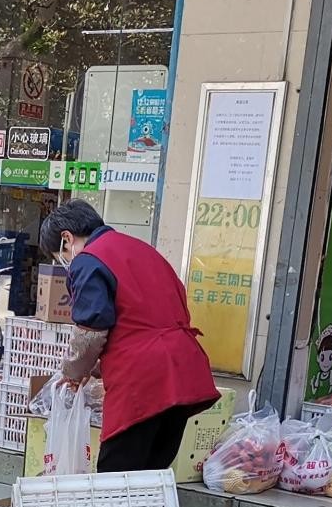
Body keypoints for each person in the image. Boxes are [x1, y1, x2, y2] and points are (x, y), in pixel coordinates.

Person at [43, 201, 220, 472]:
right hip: (183, 370)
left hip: (143, 380)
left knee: (116, 476)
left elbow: (91, 330)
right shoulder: (142, 250)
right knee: (152, 473)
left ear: (66, 239)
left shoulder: (90, 259)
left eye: (60, 256)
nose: (65, 263)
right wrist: (99, 368)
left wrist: (73, 371)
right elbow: (141, 320)